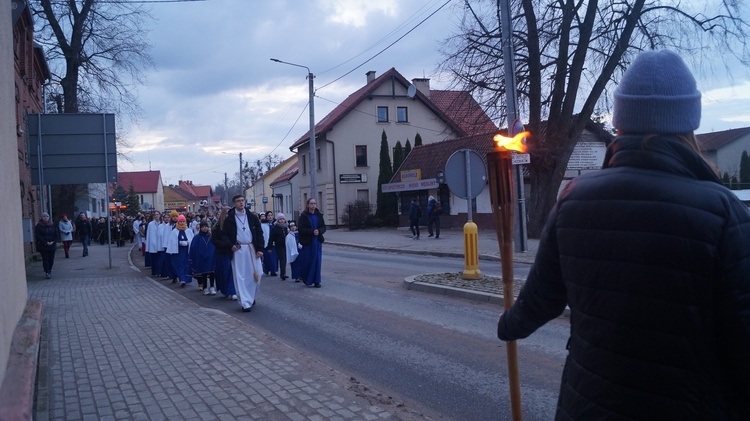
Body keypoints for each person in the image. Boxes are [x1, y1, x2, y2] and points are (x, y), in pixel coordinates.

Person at [496, 50, 750, 420]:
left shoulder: (573, 199)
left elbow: (541, 300)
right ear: (687, 124)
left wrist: (508, 326)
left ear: (621, 121)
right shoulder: (724, 214)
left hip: (585, 406)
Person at [221, 195, 264, 312]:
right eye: (238, 201)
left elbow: (259, 233)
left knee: (258, 274)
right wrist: (231, 245)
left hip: (252, 247)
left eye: (242, 200)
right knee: (241, 276)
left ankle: (251, 296)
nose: (241, 203)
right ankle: (245, 302)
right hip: (238, 250)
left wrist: (260, 249)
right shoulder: (230, 219)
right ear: (234, 203)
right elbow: (224, 235)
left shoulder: (252, 217)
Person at [297, 198, 326, 288]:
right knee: (308, 261)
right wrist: (312, 231)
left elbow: (323, 227)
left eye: (314, 203)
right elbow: (301, 229)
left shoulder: (319, 215)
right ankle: (307, 279)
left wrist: (319, 231)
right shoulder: (304, 216)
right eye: (311, 203)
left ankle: (317, 281)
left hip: (317, 242)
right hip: (308, 242)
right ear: (308, 205)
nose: (313, 205)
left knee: (317, 261)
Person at [211, 208, 237, 300]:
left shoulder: (234, 225)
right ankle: (224, 289)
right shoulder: (217, 227)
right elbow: (214, 240)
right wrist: (225, 244)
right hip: (222, 252)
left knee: (232, 271)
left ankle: (232, 291)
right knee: (223, 272)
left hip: (232, 251)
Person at [189, 220, 216, 295]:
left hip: (211, 257)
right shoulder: (197, 237)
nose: (204, 228)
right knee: (203, 273)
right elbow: (193, 247)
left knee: (212, 272)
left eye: (206, 227)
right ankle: (205, 287)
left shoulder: (211, 236)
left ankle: (212, 287)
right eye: (203, 227)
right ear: (200, 228)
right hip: (202, 257)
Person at [167, 214, 194, 287]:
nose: (182, 223)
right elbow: (172, 241)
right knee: (179, 265)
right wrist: (179, 242)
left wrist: (188, 242)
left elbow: (192, 239)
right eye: (180, 221)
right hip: (178, 251)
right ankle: (182, 278)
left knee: (186, 265)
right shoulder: (174, 231)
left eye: (183, 221)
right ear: (178, 222)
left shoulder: (188, 230)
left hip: (186, 251)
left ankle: (185, 278)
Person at [34, 212, 57, 279]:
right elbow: (38, 236)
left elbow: (56, 234)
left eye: (47, 216)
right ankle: (47, 271)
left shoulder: (52, 225)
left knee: (51, 259)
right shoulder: (39, 226)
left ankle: (49, 269)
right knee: (45, 259)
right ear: (42, 218)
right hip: (43, 246)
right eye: (44, 217)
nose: (46, 218)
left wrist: (53, 241)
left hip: (52, 245)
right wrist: (45, 242)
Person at [269, 213, 290, 280]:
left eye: (283, 219)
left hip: (286, 245)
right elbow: (271, 238)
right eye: (280, 219)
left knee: (285, 260)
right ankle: (282, 274)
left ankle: (283, 273)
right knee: (282, 260)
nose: (282, 220)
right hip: (279, 246)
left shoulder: (286, 227)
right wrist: (269, 247)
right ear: (278, 220)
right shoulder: (275, 228)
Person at [145, 211, 161, 276]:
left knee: (159, 260)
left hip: (160, 244)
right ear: (154, 216)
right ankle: (154, 272)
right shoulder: (151, 224)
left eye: (157, 214)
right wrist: (148, 246)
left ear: (160, 215)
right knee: (154, 259)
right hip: (153, 244)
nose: (156, 216)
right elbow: (148, 235)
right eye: (155, 215)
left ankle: (159, 272)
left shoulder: (162, 224)